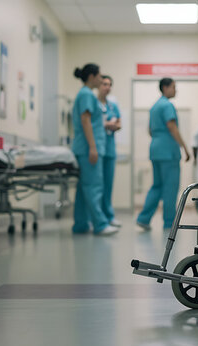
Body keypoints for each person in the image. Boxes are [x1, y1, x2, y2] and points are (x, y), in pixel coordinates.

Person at [137, 78, 191, 230]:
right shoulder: (167, 105)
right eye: (174, 87)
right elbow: (172, 126)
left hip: (155, 149)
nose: (175, 90)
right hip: (168, 151)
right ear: (165, 88)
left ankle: (143, 218)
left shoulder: (155, 106)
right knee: (170, 188)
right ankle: (169, 223)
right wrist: (185, 148)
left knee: (157, 186)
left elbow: (149, 130)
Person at [71, 63, 118, 236]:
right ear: (92, 77)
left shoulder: (85, 94)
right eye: (99, 76)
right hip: (88, 147)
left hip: (85, 147)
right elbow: (86, 120)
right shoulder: (86, 94)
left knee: (84, 189)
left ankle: (81, 224)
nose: (101, 79)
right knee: (94, 186)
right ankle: (100, 224)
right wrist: (92, 147)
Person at [97, 75, 122, 228]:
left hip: (110, 150)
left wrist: (110, 125)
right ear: (99, 86)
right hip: (98, 149)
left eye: (110, 84)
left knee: (108, 185)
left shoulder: (113, 106)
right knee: (97, 186)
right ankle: (97, 217)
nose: (107, 87)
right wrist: (107, 124)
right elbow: (94, 123)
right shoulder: (93, 103)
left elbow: (119, 124)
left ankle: (108, 217)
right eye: (105, 84)